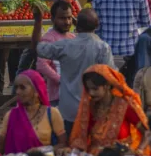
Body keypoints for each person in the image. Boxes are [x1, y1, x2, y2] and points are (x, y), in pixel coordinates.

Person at [33, 8, 114, 136]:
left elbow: (38, 48)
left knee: (69, 150)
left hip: (68, 110)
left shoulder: (64, 45)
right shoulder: (102, 48)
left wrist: (38, 22)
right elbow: (110, 77)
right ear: (97, 26)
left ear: (76, 24)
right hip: (93, 109)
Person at [69, 65, 148, 155]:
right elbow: (81, 137)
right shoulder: (90, 108)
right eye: (88, 89)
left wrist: (139, 150)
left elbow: (146, 132)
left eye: (95, 89)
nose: (91, 93)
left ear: (107, 86)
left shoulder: (124, 106)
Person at [0, 70, 67, 154]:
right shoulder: (11, 116)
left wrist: (41, 151)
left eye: (22, 87)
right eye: (16, 87)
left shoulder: (52, 113)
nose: (17, 91)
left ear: (36, 91)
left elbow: (63, 144)